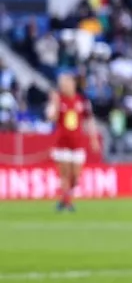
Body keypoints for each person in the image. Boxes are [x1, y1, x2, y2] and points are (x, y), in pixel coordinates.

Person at [46, 72, 100, 212]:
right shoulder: (59, 100)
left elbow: (89, 120)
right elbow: (51, 118)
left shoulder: (82, 101)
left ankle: (65, 199)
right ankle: (67, 202)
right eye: (63, 85)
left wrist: (93, 139)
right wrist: (54, 103)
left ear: (73, 85)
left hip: (77, 142)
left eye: (67, 84)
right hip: (62, 142)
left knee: (75, 177)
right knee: (64, 175)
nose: (65, 87)